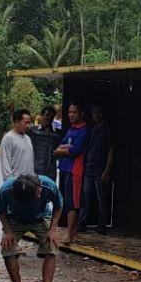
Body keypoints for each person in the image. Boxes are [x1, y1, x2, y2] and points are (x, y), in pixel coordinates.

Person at [0, 173, 63, 282]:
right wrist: (7, 231)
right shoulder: (6, 190)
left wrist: (52, 230)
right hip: (15, 218)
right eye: (36, 195)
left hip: (41, 218)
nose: (39, 196)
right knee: (7, 249)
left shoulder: (48, 185)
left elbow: (58, 205)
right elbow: (1, 211)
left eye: (39, 192)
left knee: (51, 247)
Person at [54, 102, 89, 244]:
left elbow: (75, 150)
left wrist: (60, 150)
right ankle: (73, 233)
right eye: (69, 112)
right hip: (64, 168)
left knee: (73, 203)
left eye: (74, 112)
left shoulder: (84, 130)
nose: (71, 115)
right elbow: (63, 143)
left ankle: (69, 234)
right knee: (66, 201)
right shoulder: (71, 129)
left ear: (81, 113)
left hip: (75, 169)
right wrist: (65, 148)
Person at [80, 105, 114, 234]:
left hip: (100, 169)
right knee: (86, 197)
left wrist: (107, 170)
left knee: (102, 199)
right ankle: (82, 223)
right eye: (94, 113)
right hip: (89, 168)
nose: (96, 115)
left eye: (98, 113)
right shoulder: (92, 129)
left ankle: (102, 225)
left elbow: (111, 151)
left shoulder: (107, 130)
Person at [0, 108, 35, 181]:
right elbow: (5, 163)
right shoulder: (8, 139)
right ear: (16, 122)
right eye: (25, 123)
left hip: (30, 182)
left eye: (29, 123)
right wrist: (9, 182)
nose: (28, 126)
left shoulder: (28, 138)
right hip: (16, 182)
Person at [28, 105, 61, 181]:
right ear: (41, 116)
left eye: (51, 116)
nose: (48, 118)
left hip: (50, 171)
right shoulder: (33, 131)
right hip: (35, 169)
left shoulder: (57, 134)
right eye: (46, 116)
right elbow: (18, 126)